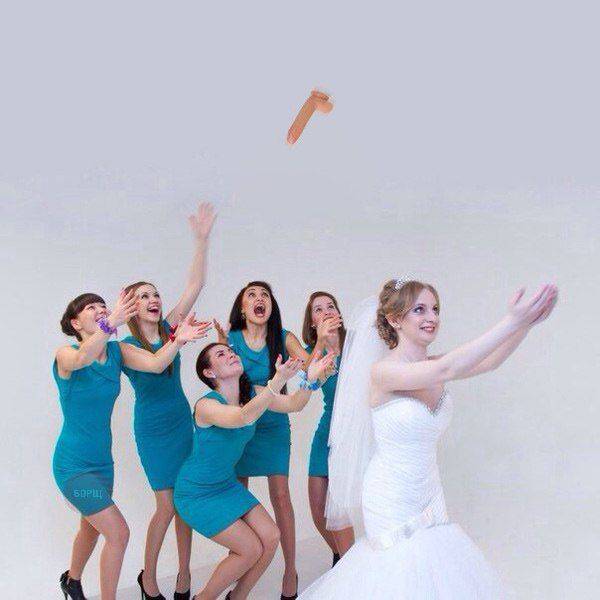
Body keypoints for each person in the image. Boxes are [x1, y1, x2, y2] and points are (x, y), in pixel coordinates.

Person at [299, 278, 558, 599]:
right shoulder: (383, 372)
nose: (431, 317)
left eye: (435, 309)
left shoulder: (433, 364)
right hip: (392, 496)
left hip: (429, 490)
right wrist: (511, 320)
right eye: (419, 310)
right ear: (394, 320)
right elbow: (447, 369)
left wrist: (526, 325)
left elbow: (490, 361)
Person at [54, 290, 209, 600]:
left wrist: (177, 341)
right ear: (75, 323)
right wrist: (110, 323)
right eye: (90, 308)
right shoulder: (66, 355)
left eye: (102, 305)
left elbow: (156, 364)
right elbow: (83, 358)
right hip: (73, 469)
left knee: (90, 528)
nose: (100, 309)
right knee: (118, 533)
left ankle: (72, 580)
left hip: (103, 466)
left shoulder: (115, 352)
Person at [174, 343, 336, 600]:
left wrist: (311, 379)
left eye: (231, 351)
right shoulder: (206, 405)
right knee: (249, 549)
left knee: (271, 537)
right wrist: (278, 380)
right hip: (196, 493)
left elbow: (294, 403)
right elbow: (241, 417)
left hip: (226, 486)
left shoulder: (253, 393)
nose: (230, 354)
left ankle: (237, 597)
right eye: (221, 354)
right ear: (209, 373)